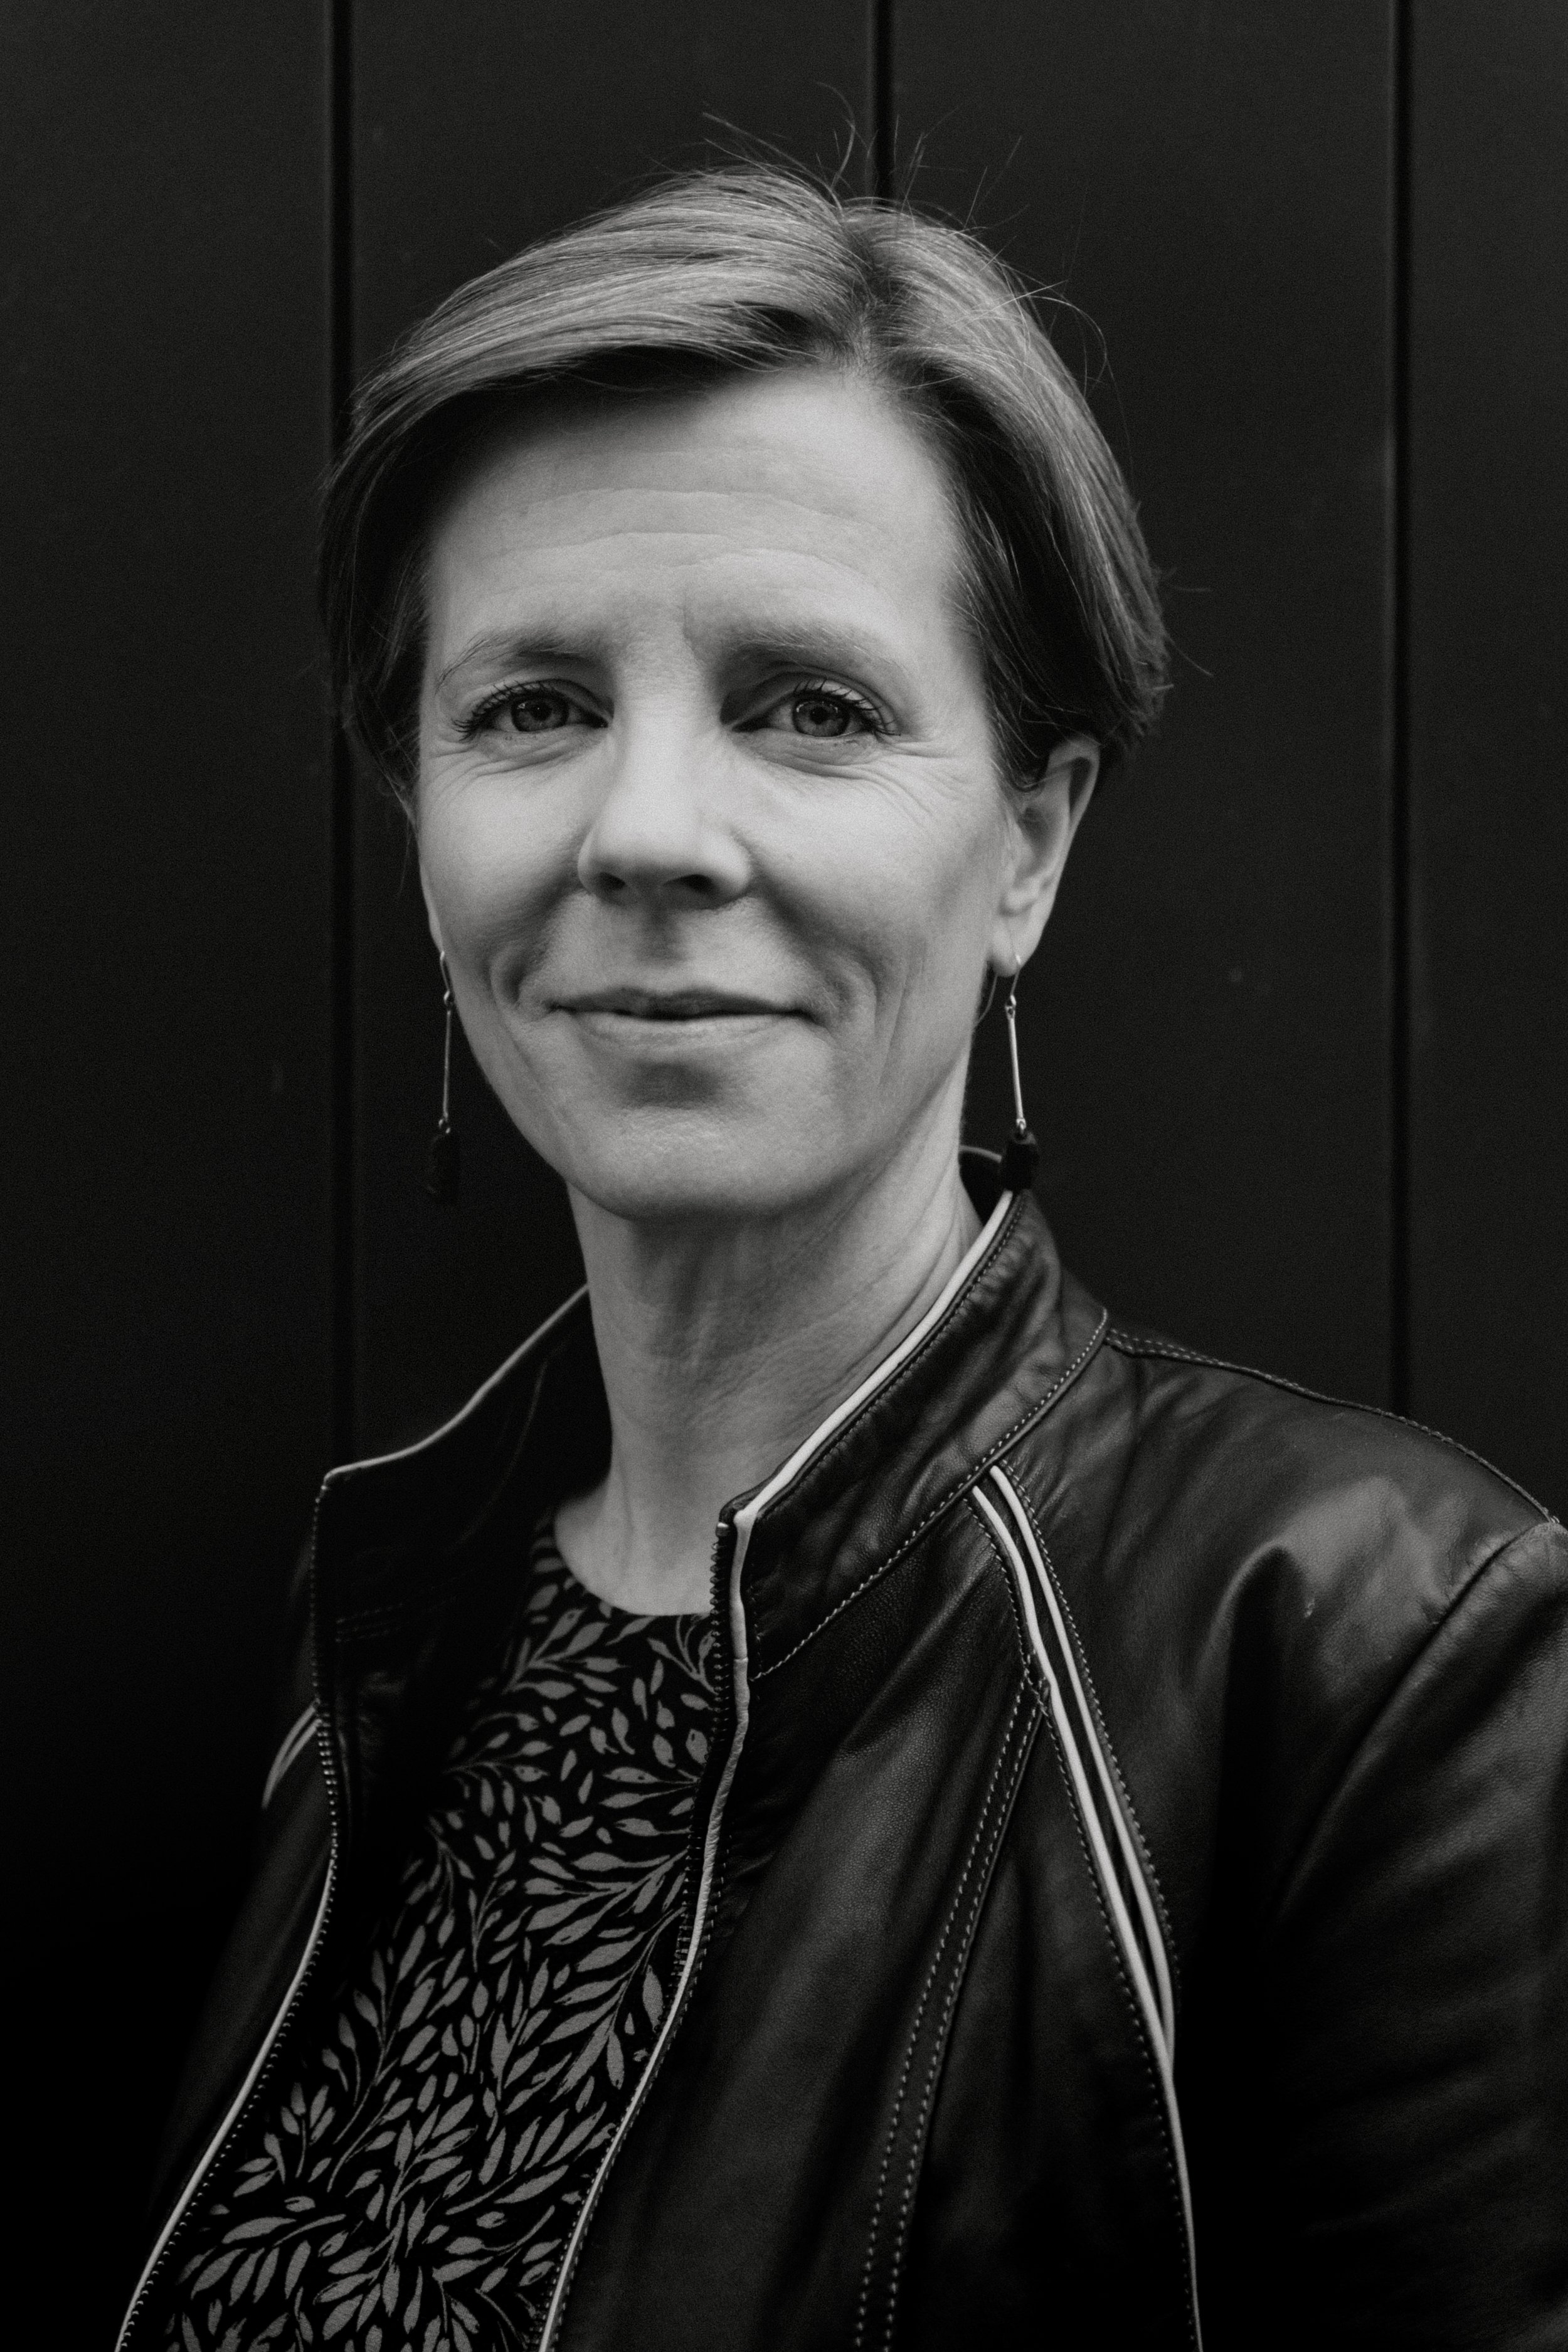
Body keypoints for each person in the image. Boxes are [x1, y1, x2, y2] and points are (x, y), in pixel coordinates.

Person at [119, 165, 1567, 2352]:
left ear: (1026, 847)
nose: (647, 832)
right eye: (529, 707)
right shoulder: (394, 1614)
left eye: (808, 704)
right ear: (423, 828)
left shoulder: (1368, 1661)